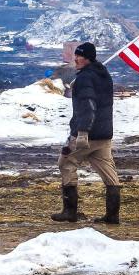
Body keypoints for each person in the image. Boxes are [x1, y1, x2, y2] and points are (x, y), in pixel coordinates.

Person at [51, 42, 121, 224]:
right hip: (104, 135)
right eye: (75, 55)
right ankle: (112, 216)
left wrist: (82, 132)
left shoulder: (85, 78)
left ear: (88, 57)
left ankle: (69, 212)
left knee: (66, 163)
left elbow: (88, 105)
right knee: (109, 174)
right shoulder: (103, 74)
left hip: (87, 134)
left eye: (79, 56)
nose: (75, 58)